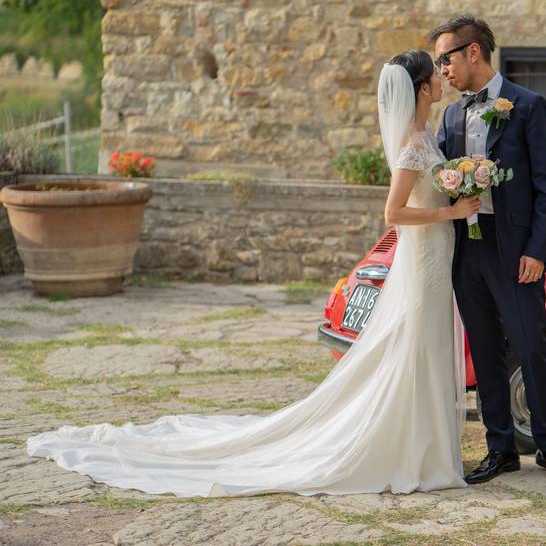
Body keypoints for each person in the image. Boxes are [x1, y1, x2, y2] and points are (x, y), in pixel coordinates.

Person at [25, 50, 482, 497]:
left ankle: (429, 450)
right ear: (423, 89)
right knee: (416, 345)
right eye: (436, 73)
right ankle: (413, 453)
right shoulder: (409, 149)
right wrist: (452, 213)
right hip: (423, 260)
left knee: (427, 345)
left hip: (435, 260)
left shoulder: (426, 140)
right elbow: (392, 213)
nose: (443, 76)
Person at [431, 13, 546, 483]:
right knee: (484, 350)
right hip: (468, 249)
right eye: (438, 63)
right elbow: (440, 176)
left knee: (530, 346)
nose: (442, 70)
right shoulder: (452, 114)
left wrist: (537, 252)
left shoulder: (529, 105)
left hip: (515, 249)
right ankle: (499, 448)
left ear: (472, 51)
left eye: (446, 59)